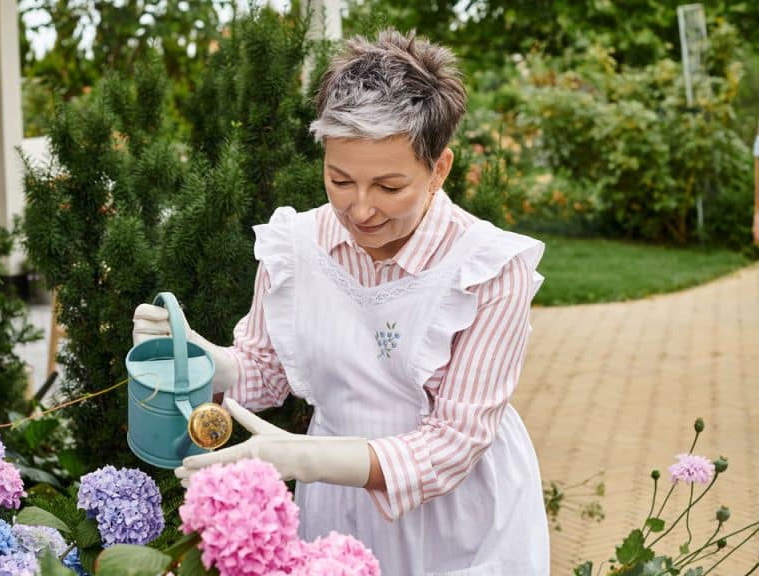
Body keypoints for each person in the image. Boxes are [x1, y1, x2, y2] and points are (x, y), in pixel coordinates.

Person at [132, 29, 549, 575]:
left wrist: (302, 458)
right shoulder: (295, 247)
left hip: (457, 519)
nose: (360, 209)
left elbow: (453, 443)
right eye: (339, 178)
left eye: (389, 186)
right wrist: (202, 359)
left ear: (438, 170)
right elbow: (265, 370)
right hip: (336, 505)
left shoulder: (490, 270)